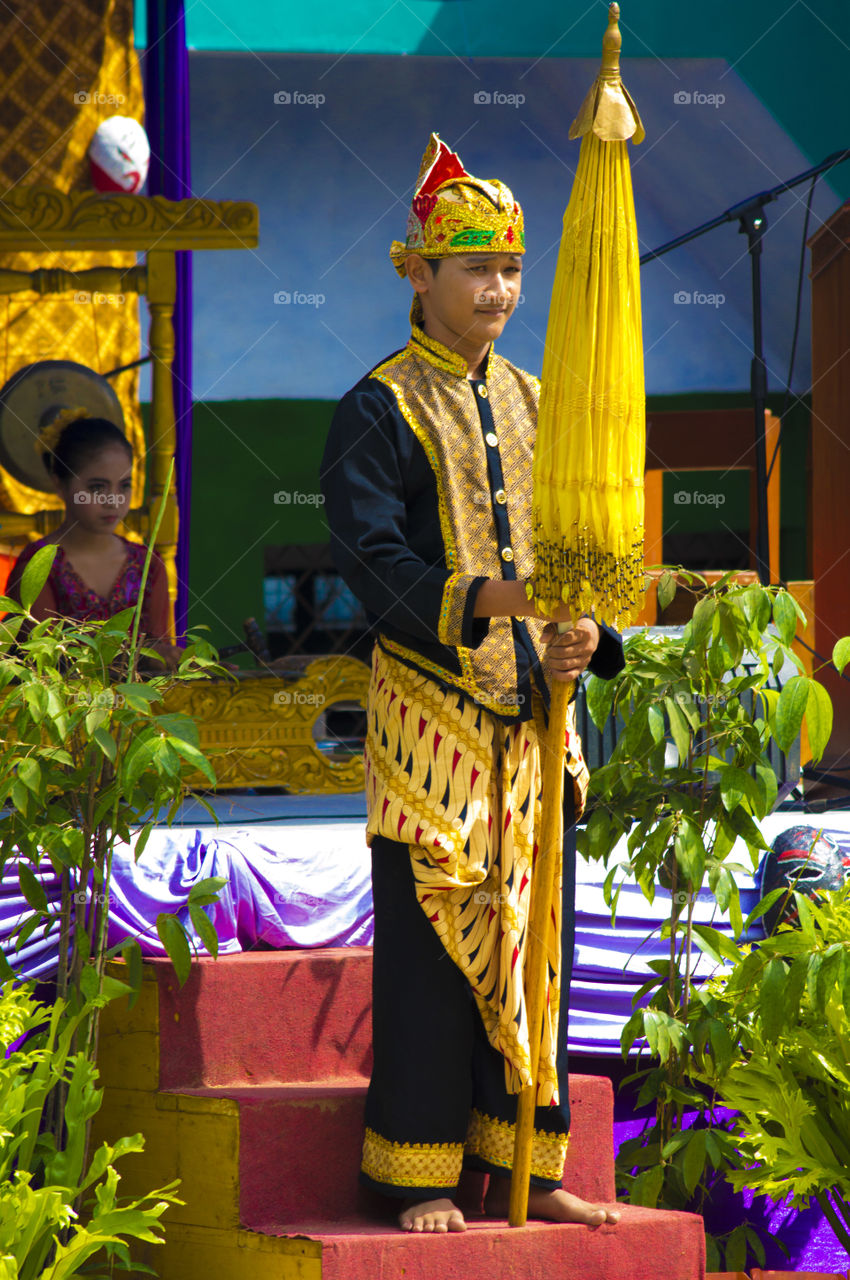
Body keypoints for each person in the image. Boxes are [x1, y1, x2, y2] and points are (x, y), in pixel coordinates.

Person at [320, 134, 627, 1234]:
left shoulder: (543, 401)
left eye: (509, 268)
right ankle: (416, 1174)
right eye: (474, 268)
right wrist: (503, 601)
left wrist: (584, 633)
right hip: (433, 716)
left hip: (541, 716)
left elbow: (585, 548)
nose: (498, 288)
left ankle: (530, 1172)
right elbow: (373, 566)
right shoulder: (377, 409)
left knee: (540, 938)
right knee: (435, 948)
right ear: (417, 272)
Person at [6, 407, 180, 667]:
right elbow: (45, 663)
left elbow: (160, 649)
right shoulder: (39, 564)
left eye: (124, 486)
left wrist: (179, 662)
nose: (113, 501)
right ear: (60, 484)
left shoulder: (147, 564)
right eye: (97, 488)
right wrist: (140, 658)